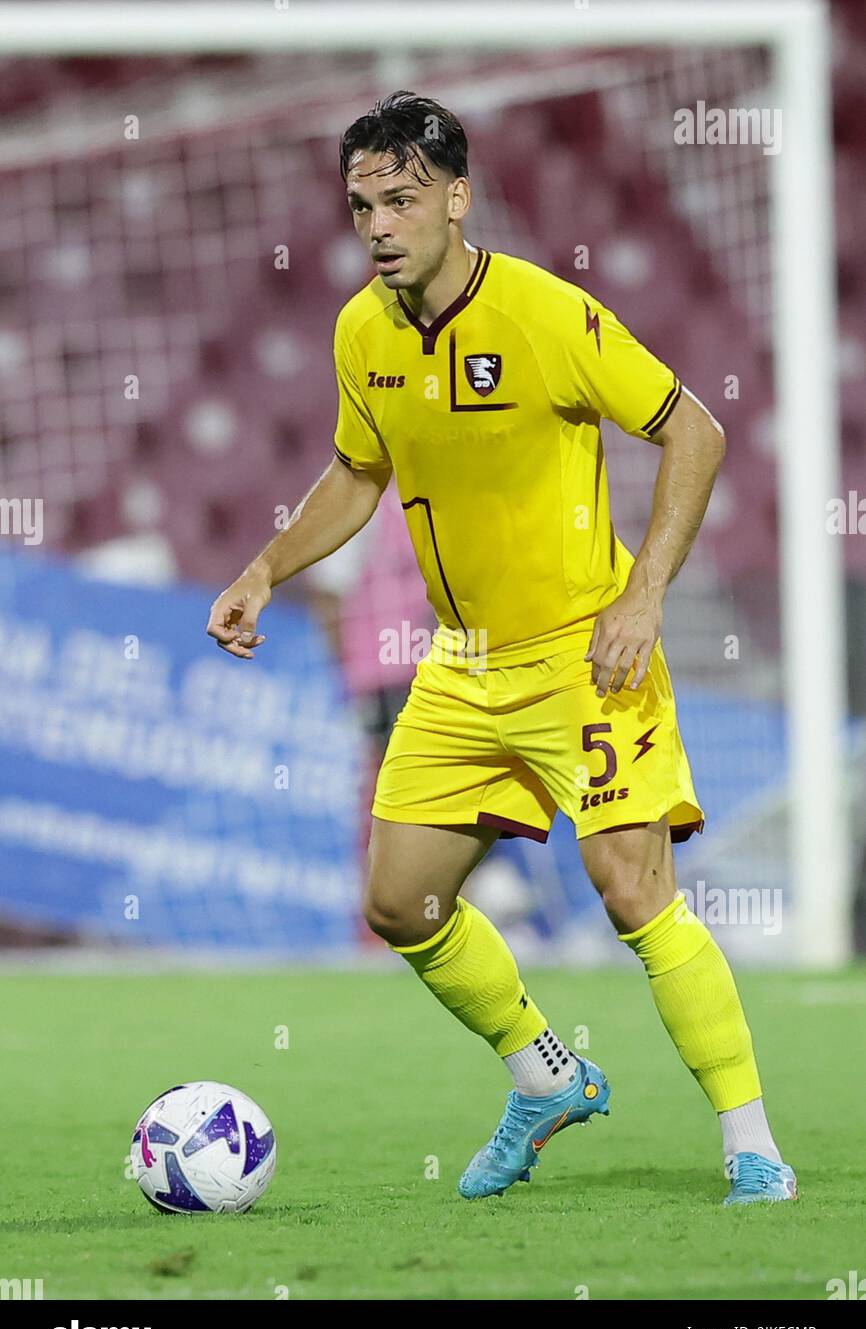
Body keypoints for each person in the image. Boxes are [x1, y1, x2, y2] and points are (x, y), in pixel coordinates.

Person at [207, 91, 796, 1206]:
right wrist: (264, 569)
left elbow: (693, 430)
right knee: (398, 905)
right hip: (461, 668)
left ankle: (749, 1142)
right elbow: (357, 469)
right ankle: (544, 1076)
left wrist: (643, 596)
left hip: (586, 655)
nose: (379, 224)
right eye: (360, 205)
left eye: (402, 199)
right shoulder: (359, 331)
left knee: (629, 887)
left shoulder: (545, 316)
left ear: (456, 198)